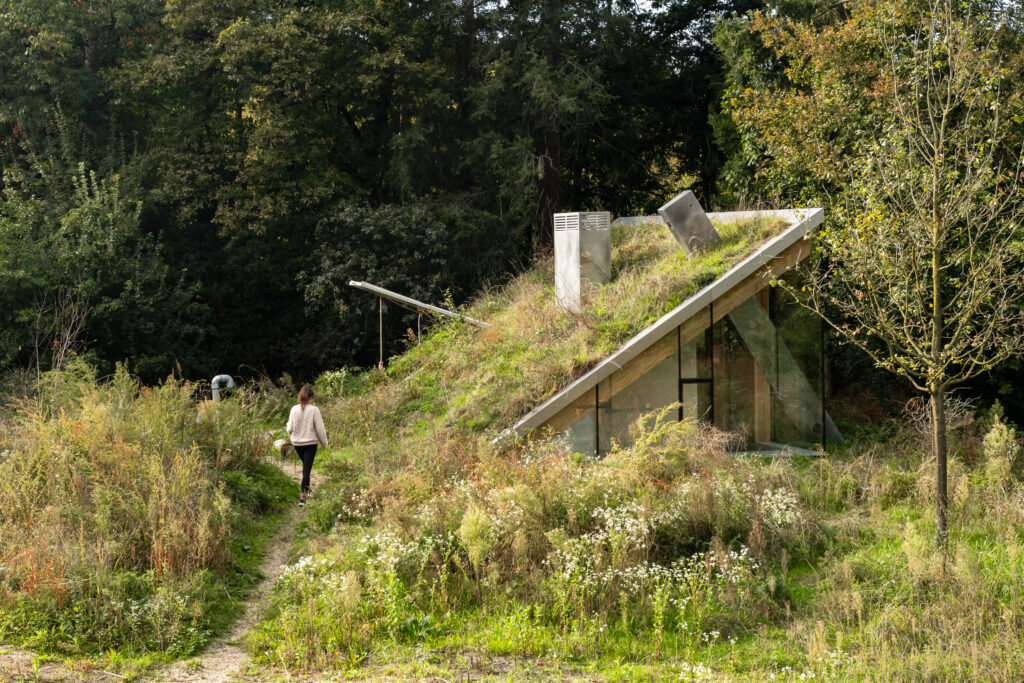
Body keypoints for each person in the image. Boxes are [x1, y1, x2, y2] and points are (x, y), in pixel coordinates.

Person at [286, 385, 328, 507]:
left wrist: (293, 437)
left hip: (297, 444)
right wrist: (324, 443)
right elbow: (320, 429)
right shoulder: (314, 410)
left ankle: (308, 489)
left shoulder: (294, 409)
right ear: (310, 398)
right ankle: (302, 497)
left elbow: (289, 428)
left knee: (306, 467)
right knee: (306, 471)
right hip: (310, 443)